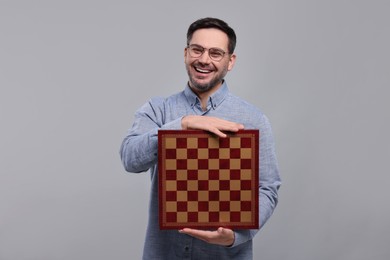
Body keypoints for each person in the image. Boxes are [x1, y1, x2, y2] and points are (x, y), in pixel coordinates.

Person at [120, 17, 281, 260]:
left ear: (230, 61)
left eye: (216, 53)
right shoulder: (157, 110)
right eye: (197, 50)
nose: (204, 60)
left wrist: (236, 235)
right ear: (186, 53)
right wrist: (182, 124)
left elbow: (267, 189)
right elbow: (131, 159)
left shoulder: (253, 119)